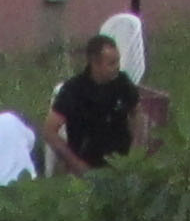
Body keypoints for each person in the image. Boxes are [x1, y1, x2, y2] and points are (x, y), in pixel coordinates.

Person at [47, 32, 137, 171]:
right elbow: (50, 131)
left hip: (121, 165)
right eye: (111, 64)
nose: (117, 67)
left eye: (118, 61)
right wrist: (75, 163)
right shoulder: (73, 90)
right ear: (95, 63)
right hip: (88, 166)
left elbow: (138, 114)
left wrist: (136, 151)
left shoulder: (122, 83)